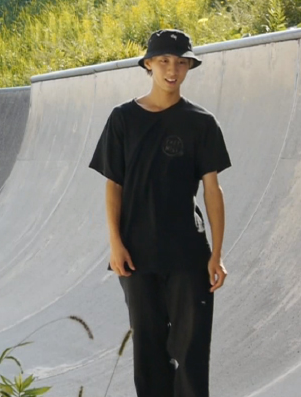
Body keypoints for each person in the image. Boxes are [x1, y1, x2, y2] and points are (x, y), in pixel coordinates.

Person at [89, 29, 231, 397]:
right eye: (164, 61)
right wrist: (115, 243)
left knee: (192, 350)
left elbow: (212, 189)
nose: (172, 69)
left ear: (189, 67)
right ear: (148, 64)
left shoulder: (201, 122)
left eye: (181, 62)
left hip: (189, 254)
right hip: (137, 254)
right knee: (149, 349)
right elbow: (114, 185)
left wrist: (216, 253)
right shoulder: (122, 119)